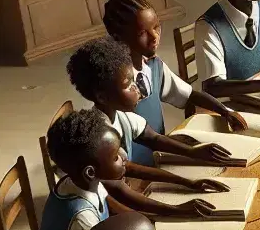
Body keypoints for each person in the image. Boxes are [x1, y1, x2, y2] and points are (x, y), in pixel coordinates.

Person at [65, 35, 244, 185]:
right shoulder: (101, 136)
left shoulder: (121, 116)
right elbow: (126, 173)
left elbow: (153, 138)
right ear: (102, 97)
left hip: (129, 185)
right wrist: (186, 182)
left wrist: (193, 152)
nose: (137, 88)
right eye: (129, 85)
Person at [101, 0, 246, 160]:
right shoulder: (117, 85)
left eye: (156, 27)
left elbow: (189, 94)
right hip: (132, 166)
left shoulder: (154, 67)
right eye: (142, 33)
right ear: (118, 38)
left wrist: (225, 111)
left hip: (160, 154)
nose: (154, 37)